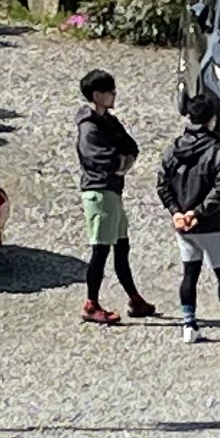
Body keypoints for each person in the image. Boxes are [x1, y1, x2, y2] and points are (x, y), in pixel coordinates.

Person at [156, 92, 220, 342]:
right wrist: (197, 213)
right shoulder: (218, 150)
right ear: (211, 119)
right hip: (212, 224)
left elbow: (162, 185)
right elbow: (219, 190)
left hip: (183, 226)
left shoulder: (173, 149)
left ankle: (189, 325)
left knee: (190, 273)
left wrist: (176, 212)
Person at [72, 70, 159, 325]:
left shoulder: (109, 121)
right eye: (110, 91)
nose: (114, 95)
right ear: (97, 95)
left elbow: (131, 147)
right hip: (99, 193)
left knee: (122, 247)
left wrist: (122, 162)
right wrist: (121, 163)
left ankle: (134, 298)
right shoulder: (88, 128)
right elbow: (100, 159)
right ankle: (91, 304)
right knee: (100, 250)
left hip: (112, 191)